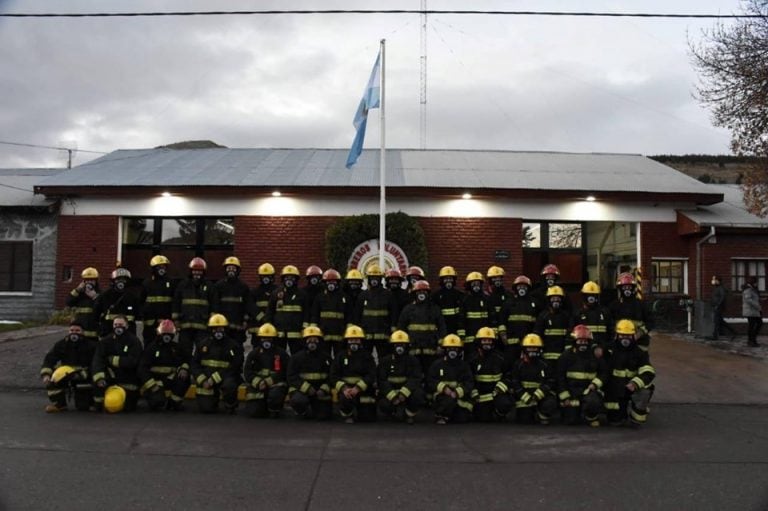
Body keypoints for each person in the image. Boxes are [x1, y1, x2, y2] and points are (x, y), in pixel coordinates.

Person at [604, 320, 656, 427]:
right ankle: (618, 414)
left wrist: (635, 383)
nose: (625, 339)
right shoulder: (609, 350)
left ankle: (636, 415)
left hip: (632, 388)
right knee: (615, 421)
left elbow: (648, 372)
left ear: (633, 336)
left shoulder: (640, 352)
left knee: (644, 392)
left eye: (628, 336)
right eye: (622, 335)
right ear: (617, 335)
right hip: (615, 389)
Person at [498, 333, 558, 425]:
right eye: (529, 348)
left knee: (550, 403)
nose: (532, 350)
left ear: (539, 349)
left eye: (535, 348)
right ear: (524, 349)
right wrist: (523, 396)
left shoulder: (545, 364)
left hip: (540, 396)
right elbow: (515, 381)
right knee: (525, 420)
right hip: (524, 397)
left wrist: (538, 394)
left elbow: (550, 381)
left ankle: (543, 414)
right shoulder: (518, 364)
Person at [191, 314, 243, 414]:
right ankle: (212, 400)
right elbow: (194, 364)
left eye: (221, 329)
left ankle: (230, 404)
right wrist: (202, 380)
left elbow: (235, 366)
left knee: (230, 385)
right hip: (207, 379)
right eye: (215, 329)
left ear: (225, 329)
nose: (218, 332)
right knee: (206, 409)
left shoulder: (233, 346)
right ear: (211, 329)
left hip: (225, 377)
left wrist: (215, 378)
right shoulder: (203, 345)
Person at [40, 321, 97, 413]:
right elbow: (49, 360)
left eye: (77, 330)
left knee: (83, 407)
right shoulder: (61, 344)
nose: (74, 333)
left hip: (83, 376)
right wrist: (46, 374)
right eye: (72, 330)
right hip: (66, 375)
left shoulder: (91, 345)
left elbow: (96, 364)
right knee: (52, 380)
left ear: (83, 332)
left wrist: (85, 374)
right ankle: (59, 405)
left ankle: (88, 402)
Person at [557, 324, 608, 426]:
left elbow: (604, 372)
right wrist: (565, 397)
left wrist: (595, 384)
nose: (583, 344)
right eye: (580, 341)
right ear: (575, 342)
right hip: (572, 392)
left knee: (593, 402)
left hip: (589, 391)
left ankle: (591, 417)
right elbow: (560, 377)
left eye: (585, 341)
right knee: (570, 421)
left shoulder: (594, 356)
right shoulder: (567, 355)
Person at [91, 315, 143, 412]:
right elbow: (98, 360)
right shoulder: (105, 341)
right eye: (115, 324)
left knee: (128, 408)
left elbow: (134, 361)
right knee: (98, 387)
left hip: (128, 378)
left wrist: (113, 360)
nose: (118, 327)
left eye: (121, 324)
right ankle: (99, 405)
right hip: (110, 377)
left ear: (127, 326)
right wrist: (99, 378)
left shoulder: (134, 341)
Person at [138, 319, 191, 411]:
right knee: (157, 403)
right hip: (155, 381)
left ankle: (174, 402)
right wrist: (152, 385)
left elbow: (187, 360)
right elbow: (142, 368)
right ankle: (157, 399)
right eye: (164, 333)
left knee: (184, 379)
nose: (167, 336)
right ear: (159, 333)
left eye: (169, 333)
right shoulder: (151, 348)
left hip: (170, 379)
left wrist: (184, 369)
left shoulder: (177, 348)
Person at [398, 280, 447, 375]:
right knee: (413, 372)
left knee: (430, 372)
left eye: (424, 291)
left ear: (428, 293)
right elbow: (401, 328)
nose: (421, 294)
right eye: (419, 292)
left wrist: (440, 345)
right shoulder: (408, 309)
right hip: (413, 348)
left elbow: (442, 327)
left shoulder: (435, 309)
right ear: (414, 293)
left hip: (431, 348)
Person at [331, 325, 378, 423]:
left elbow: (372, 374)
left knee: (367, 418)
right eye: (351, 340)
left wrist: (358, 388)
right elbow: (333, 375)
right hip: (346, 390)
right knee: (345, 399)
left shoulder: (367, 356)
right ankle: (347, 414)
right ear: (347, 341)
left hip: (363, 389)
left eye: (356, 340)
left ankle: (362, 411)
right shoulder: (340, 356)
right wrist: (344, 388)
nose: (354, 343)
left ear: (361, 341)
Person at [377, 330, 425, 424]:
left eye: (402, 345)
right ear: (392, 346)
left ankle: (409, 415)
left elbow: (415, 378)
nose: (400, 348)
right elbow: (381, 380)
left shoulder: (413, 361)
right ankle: (391, 413)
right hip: (391, 393)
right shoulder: (385, 361)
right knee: (383, 403)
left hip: (407, 393)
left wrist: (404, 393)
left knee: (419, 394)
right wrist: (393, 397)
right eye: (397, 345)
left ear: (407, 346)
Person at [243, 323, 290, 418]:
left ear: (274, 339)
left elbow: (285, 371)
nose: (266, 341)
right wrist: (258, 382)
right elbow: (247, 372)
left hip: (275, 384)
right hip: (258, 385)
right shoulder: (253, 354)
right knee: (254, 412)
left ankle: (274, 409)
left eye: (269, 338)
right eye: (264, 338)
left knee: (275, 395)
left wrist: (268, 382)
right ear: (260, 339)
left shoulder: (281, 354)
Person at [287, 326, 333, 420]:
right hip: (302, 390)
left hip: (320, 391)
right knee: (298, 401)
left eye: (315, 340)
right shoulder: (296, 358)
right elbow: (291, 376)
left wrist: (324, 389)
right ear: (305, 341)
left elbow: (332, 375)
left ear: (319, 341)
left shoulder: (326, 358)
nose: (312, 343)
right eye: (309, 340)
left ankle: (315, 409)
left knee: (323, 416)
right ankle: (301, 411)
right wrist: (306, 388)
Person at [427, 334, 473, 424]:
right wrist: (444, 388)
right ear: (445, 349)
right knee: (447, 402)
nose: (452, 351)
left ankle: (448, 415)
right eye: (449, 348)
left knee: (462, 418)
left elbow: (469, 382)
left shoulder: (464, 366)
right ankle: (440, 415)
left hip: (457, 396)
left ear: (459, 350)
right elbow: (430, 380)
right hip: (441, 396)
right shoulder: (437, 364)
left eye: (455, 349)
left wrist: (457, 392)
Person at [354, 264, 397, 357]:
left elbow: (393, 313)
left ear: (380, 279)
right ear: (368, 278)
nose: (374, 280)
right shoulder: (363, 295)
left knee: (384, 358)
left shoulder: (388, 295)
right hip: (366, 334)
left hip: (383, 333)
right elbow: (357, 314)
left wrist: (393, 327)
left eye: (376, 277)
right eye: (372, 277)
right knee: (365, 358)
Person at [173, 257, 213, 355]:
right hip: (185, 325)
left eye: (199, 271)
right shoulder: (182, 285)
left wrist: (211, 322)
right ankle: (185, 368)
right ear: (191, 271)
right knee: (184, 351)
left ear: (204, 272)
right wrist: (176, 320)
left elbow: (214, 305)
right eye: (195, 271)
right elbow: (176, 303)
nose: (197, 273)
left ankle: (197, 369)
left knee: (202, 351)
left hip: (202, 326)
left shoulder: (209, 286)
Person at [467, 327, 508, 422]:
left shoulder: (500, 358)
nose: (487, 343)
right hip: (480, 395)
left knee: (505, 403)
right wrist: (473, 391)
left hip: (496, 393)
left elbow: (508, 375)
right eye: (484, 340)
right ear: (478, 342)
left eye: (489, 340)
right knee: (483, 419)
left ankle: (499, 414)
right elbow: (468, 378)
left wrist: (500, 388)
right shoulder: (472, 359)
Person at [212, 256, 251, 351]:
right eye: (229, 268)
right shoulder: (218, 286)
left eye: (233, 268)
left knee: (237, 349)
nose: (231, 270)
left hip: (238, 326)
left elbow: (247, 305)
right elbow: (215, 305)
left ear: (238, 270)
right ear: (225, 269)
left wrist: (245, 321)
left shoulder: (243, 287)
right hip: (222, 326)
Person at [268, 265, 310, 353]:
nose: (289, 280)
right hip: (279, 332)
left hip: (296, 332)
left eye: (292, 278)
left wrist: (304, 327)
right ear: (283, 279)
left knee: (297, 355)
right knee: (279, 355)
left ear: (296, 279)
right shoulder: (276, 293)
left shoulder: (302, 294)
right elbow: (270, 311)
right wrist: (269, 326)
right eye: (287, 277)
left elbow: (307, 312)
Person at [497, 275, 539, 363]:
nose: (522, 288)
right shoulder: (508, 303)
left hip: (529, 343)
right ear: (515, 288)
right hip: (511, 343)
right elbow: (502, 320)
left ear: (528, 288)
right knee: (510, 364)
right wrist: (503, 335)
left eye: (524, 286)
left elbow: (538, 323)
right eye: (519, 286)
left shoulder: (534, 303)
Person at [310, 269, 351, 357]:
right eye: (328, 282)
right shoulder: (319, 297)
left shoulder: (344, 297)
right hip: (324, 333)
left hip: (340, 333)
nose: (331, 284)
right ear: (324, 283)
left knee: (340, 356)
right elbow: (315, 314)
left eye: (333, 281)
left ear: (338, 283)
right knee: (324, 356)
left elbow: (349, 315)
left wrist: (348, 330)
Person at [609, 272, 653, 351]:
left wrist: (640, 333)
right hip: (619, 342)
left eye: (629, 287)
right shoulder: (614, 305)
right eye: (624, 287)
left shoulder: (641, 305)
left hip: (639, 342)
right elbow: (609, 323)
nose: (627, 289)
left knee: (641, 362)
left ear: (633, 288)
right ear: (620, 288)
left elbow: (650, 321)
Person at [94, 267, 140, 337]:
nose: (121, 282)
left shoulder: (132, 297)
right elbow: (96, 313)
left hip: (129, 333)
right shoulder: (105, 296)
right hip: (108, 333)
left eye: (123, 280)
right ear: (113, 281)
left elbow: (138, 314)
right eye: (118, 279)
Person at [140, 255, 175, 346]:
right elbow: (141, 301)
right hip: (150, 323)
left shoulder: (170, 282)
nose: (162, 269)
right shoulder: (146, 283)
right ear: (154, 268)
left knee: (165, 344)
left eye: (163, 266)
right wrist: (143, 315)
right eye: (159, 267)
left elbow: (174, 301)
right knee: (149, 345)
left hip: (166, 322)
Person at [534, 286, 572, 369]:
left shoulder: (566, 316)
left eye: (558, 298)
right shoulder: (543, 316)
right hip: (546, 355)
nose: (555, 301)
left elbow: (570, 333)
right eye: (553, 298)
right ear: (549, 300)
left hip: (562, 354)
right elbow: (537, 334)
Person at [572, 281, 613, 350]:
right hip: (584, 351)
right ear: (584, 296)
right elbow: (572, 334)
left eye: (593, 295)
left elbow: (611, 333)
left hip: (603, 352)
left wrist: (605, 348)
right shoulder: (578, 314)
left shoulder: (605, 312)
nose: (591, 298)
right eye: (588, 295)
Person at [460, 272, 494, 353]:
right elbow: (461, 319)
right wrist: (462, 336)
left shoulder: (487, 299)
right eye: (473, 283)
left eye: (478, 283)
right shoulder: (465, 300)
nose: (476, 286)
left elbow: (492, 317)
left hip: (485, 338)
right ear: (469, 285)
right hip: (469, 339)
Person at [66, 267, 101, 343]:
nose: (89, 283)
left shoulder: (100, 294)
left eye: (92, 280)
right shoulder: (79, 294)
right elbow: (68, 302)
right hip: (80, 331)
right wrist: (77, 290)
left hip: (94, 332)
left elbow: (102, 307)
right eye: (87, 280)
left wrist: (95, 297)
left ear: (96, 281)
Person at [432, 266, 465, 336]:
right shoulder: (436, 296)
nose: (448, 281)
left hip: (456, 329)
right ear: (441, 280)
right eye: (446, 279)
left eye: (450, 278)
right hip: (442, 329)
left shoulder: (460, 295)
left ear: (454, 280)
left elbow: (462, 315)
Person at [708, 275, 736, 341]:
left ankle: (715, 336)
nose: (713, 281)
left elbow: (722, 297)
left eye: (714, 279)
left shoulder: (721, 288)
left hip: (718, 307)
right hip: (716, 306)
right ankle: (733, 332)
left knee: (716, 321)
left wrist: (717, 305)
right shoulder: (716, 287)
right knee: (720, 321)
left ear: (718, 280)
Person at [742, 276, 763, 347]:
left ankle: (752, 340)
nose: (756, 284)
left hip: (754, 310)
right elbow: (749, 300)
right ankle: (751, 340)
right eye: (756, 283)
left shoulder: (753, 289)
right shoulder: (748, 290)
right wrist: (757, 305)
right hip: (751, 310)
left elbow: (754, 298)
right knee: (754, 325)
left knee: (756, 324)